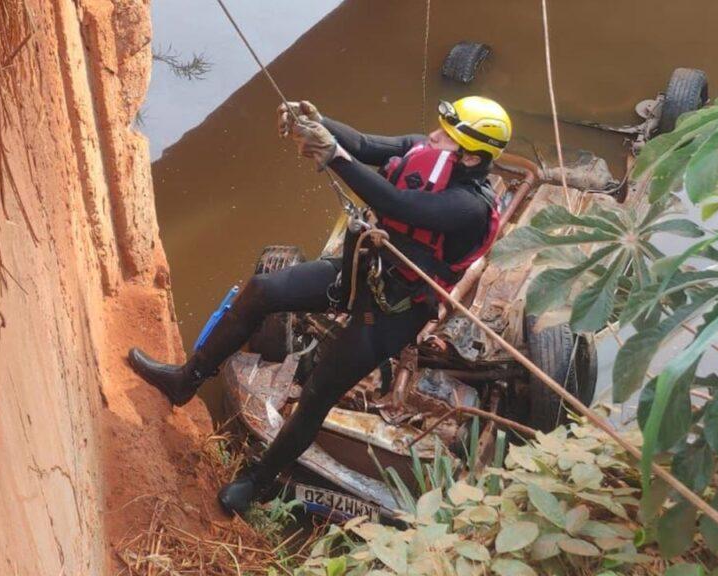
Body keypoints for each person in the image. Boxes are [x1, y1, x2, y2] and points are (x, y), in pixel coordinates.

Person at [127, 96, 512, 515]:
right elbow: (364, 144)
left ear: (471, 158)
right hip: (358, 271)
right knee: (262, 289)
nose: (433, 136)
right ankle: (185, 381)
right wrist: (318, 122)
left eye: (446, 136)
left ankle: (258, 482)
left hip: (394, 310)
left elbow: (397, 205)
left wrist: (332, 154)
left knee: (318, 392)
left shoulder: (469, 207)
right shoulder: (427, 151)